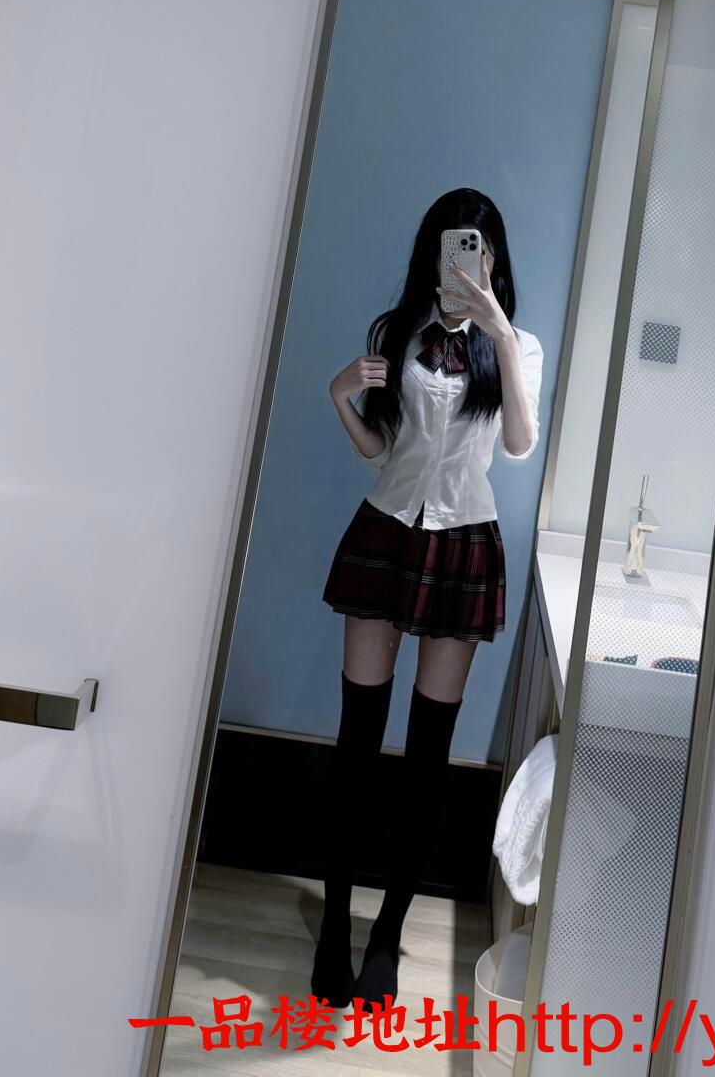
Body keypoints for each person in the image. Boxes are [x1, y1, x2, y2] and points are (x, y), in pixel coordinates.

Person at [310, 188, 543, 1011]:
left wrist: (499, 335)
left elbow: (518, 443)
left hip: (463, 546)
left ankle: (387, 936)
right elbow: (382, 451)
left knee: (427, 756)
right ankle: (334, 925)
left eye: (480, 247)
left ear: (495, 259)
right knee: (357, 743)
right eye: (454, 245)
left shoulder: (517, 348)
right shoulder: (397, 331)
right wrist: (340, 394)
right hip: (385, 534)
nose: (467, 260)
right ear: (433, 253)